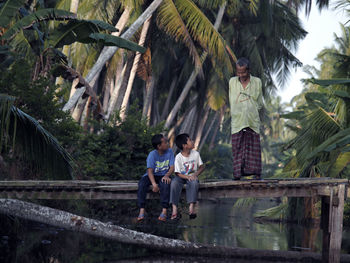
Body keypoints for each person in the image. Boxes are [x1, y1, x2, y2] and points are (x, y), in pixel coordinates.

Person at [229, 57, 263, 180]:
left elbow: (260, 102)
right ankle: (237, 174)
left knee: (253, 147)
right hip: (237, 120)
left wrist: (251, 109)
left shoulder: (257, 82)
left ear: (249, 70)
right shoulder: (232, 82)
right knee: (237, 147)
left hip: (252, 120)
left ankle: (256, 174)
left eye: (243, 72)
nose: (241, 75)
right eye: (238, 72)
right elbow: (231, 99)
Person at [137, 134, 174, 222]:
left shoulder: (170, 152)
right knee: (142, 184)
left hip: (164, 175)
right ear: (159, 146)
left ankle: (164, 210)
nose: (167, 143)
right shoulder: (152, 154)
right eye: (165, 142)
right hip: (152, 175)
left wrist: (167, 175)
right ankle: (142, 209)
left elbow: (172, 167)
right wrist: (154, 184)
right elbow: (150, 171)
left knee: (165, 184)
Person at [170, 133, 205, 220]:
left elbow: (201, 167)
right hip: (181, 177)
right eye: (190, 140)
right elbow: (177, 173)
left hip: (192, 177)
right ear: (184, 145)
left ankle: (191, 208)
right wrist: (187, 177)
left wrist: (194, 175)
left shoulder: (196, 154)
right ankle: (174, 209)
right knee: (174, 183)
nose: (192, 141)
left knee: (194, 183)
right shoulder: (178, 157)